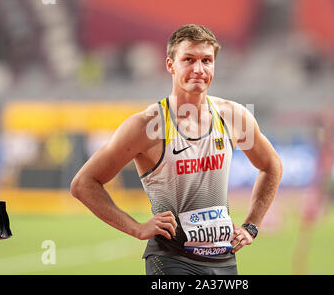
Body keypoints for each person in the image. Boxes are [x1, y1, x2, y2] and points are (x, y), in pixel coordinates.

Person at [70, 24, 283, 275]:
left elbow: (271, 166)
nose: (198, 69)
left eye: (206, 60)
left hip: (224, 260)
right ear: (171, 65)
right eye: (188, 60)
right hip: (171, 260)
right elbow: (83, 183)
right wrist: (137, 228)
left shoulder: (234, 117)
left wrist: (252, 226)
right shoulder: (147, 126)